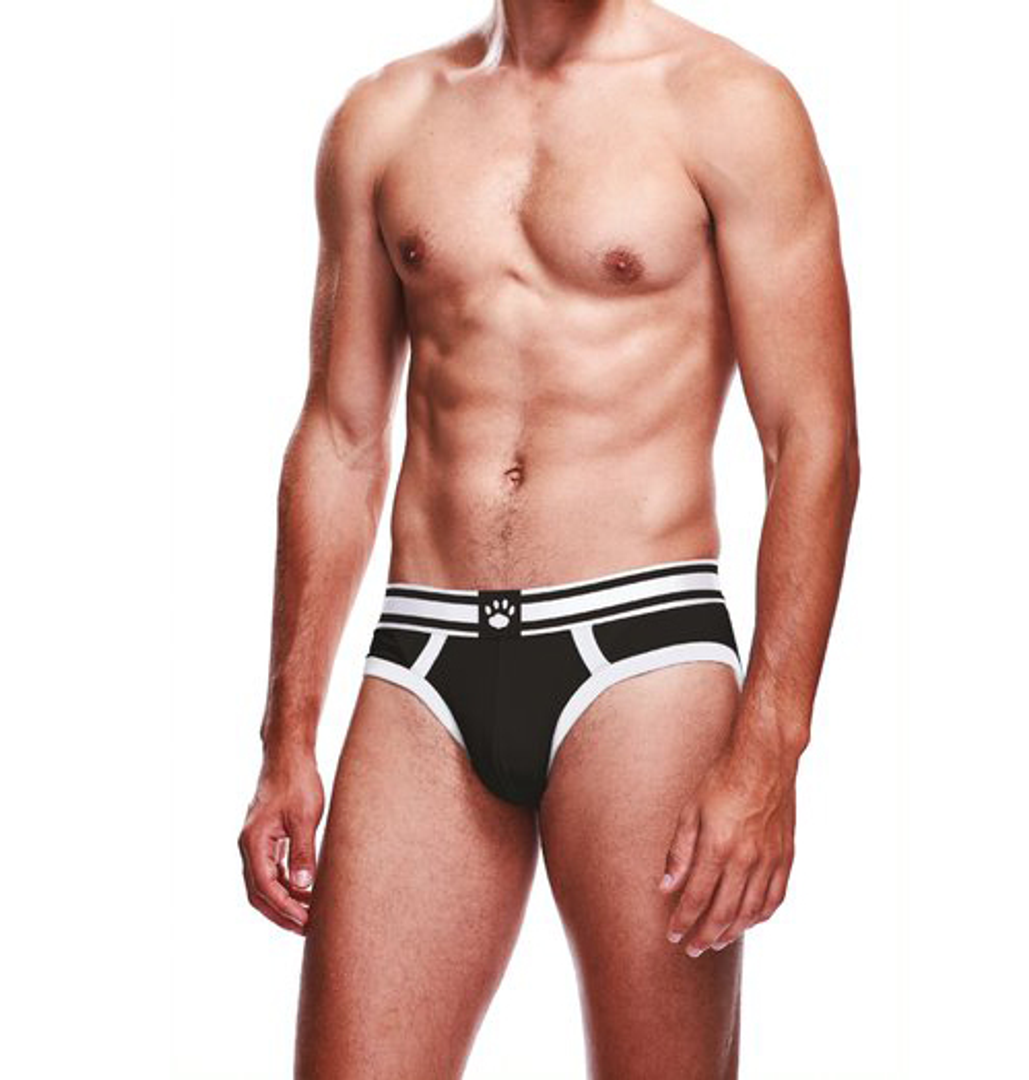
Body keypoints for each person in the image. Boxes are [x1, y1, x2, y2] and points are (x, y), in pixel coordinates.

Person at [237, 1, 859, 1076]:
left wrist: (771, 750)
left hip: (642, 656)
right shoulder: (387, 116)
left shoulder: (729, 105)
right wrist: (285, 736)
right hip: (424, 656)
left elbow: (813, 441)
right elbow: (340, 437)